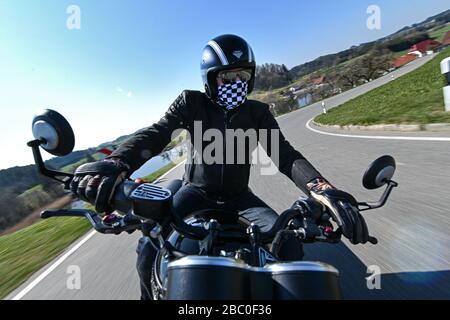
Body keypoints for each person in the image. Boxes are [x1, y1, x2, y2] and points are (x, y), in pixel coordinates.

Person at [70, 34, 371, 299]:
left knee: (289, 244)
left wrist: (322, 189)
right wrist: (117, 161)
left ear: (251, 78)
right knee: (150, 245)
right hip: (194, 193)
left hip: (241, 198)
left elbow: (285, 156)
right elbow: (157, 133)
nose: (235, 83)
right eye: (226, 78)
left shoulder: (258, 113)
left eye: (242, 76)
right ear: (209, 79)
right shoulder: (191, 103)